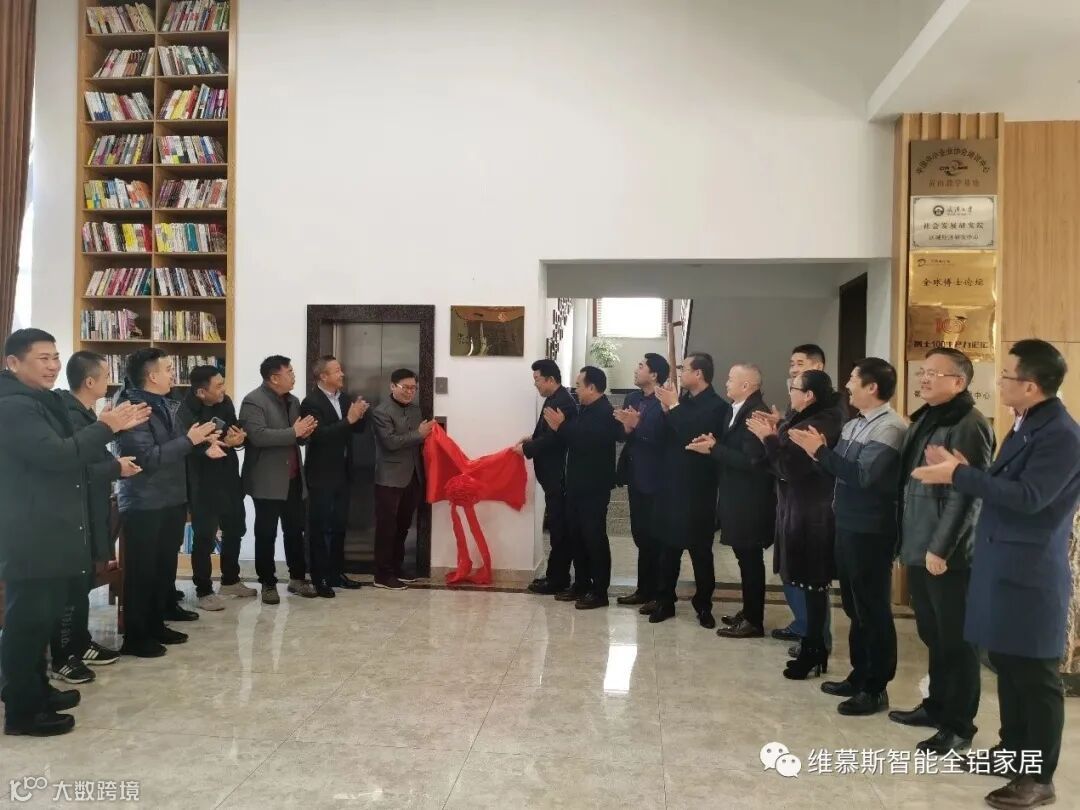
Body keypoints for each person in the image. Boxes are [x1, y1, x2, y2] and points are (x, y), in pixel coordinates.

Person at [913, 339, 1080, 810]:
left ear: (1031, 385)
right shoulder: (1027, 422)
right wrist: (966, 470)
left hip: (1030, 573)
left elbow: (1030, 498)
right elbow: (1008, 485)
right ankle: (1012, 754)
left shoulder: (1061, 435)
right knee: (1008, 666)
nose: (999, 382)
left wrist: (958, 476)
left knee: (1036, 678)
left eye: (1006, 375)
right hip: (1003, 564)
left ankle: (1038, 778)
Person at [0, 329, 148, 736]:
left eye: (55, 357)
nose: (52, 366)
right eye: (42, 358)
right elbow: (58, 455)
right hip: (31, 531)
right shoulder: (13, 407)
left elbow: (74, 460)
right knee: (27, 623)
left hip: (52, 527)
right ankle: (22, 711)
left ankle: (38, 691)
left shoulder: (41, 401)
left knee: (44, 618)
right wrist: (106, 426)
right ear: (13, 363)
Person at [890, 348, 993, 754]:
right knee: (933, 634)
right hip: (920, 543)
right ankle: (935, 707)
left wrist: (941, 548)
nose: (925, 378)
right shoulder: (927, 418)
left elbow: (967, 496)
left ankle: (959, 725)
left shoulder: (969, 423)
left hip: (947, 553)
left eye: (935, 373)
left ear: (959, 382)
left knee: (957, 642)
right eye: (923, 372)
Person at [790, 358, 906, 716]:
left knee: (873, 608)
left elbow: (863, 475)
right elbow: (836, 468)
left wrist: (820, 451)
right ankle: (859, 675)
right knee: (854, 607)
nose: (847, 385)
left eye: (853, 379)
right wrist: (816, 452)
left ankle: (876, 687)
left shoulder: (890, 427)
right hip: (847, 524)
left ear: (872, 387)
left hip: (872, 529)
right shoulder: (856, 423)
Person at [116, 349, 220, 656]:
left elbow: (175, 444)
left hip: (170, 496)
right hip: (144, 500)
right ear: (151, 376)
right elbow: (145, 458)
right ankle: (136, 636)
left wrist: (199, 443)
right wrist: (190, 440)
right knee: (142, 571)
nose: (173, 374)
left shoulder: (165, 401)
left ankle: (156, 622)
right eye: (167, 369)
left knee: (163, 566)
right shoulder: (132, 408)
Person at [49, 352, 139, 684]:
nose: (108, 382)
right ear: (89, 381)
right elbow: (78, 468)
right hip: (75, 513)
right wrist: (117, 467)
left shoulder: (85, 413)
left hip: (90, 511)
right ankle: (63, 655)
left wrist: (114, 432)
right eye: (104, 376)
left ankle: (80, 643)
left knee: (82, 582)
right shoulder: (67, 414)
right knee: (70, 588)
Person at [749, 369, 845, 679]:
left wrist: (768, 438)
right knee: (806, 583)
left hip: (813, 513)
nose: (790, 392)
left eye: (794, 388)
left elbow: (790, 467)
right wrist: (777, 430)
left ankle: (814, 649)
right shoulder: (805, 417)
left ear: (809, 395)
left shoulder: (820, 423)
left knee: (813, 584)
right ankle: (811, 647)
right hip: (799, 509)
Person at [686, 363, 775, 639]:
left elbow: (751, 461)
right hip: (736, 496)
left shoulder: (755, 413)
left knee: (750, 560)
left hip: (750, 500)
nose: (725, 383)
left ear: (746, 385)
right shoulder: (737, 409)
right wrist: (714, 444)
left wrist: (715, 448)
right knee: (744, 559)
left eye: (731, 379)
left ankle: (754, 621)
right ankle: (748, 612)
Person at [649, 352, 731, 628]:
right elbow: (666, 436)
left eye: (684, 369)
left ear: (699, 374)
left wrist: (673, 407)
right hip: (671, 485)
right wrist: (665, 411)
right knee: (668, 549)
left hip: (698, 489)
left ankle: (703, 605)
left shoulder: (718, 407)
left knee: (701, 553)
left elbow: (693, 435)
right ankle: (665, 601)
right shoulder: (681, 402)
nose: (680, 373)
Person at [176, 365, 255, 612]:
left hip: (228, 475)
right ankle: (203, 590)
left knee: (235, 529)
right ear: (201, 392)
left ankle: (230, 580)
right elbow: (185, 446)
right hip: (201, 481)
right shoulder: (184, 411)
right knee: (205, 537)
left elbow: (231, 432)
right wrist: (210, 448)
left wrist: (236, 440)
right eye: (218, 385)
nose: (223, 389)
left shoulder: (225, 402)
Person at [543, 366, 622, 609]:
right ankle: (581, 584)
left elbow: (586, 441)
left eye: (579, 385)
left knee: (594, 539)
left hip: (593, 488)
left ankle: (599, 592)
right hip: (577, 485)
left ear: (592, 387)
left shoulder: (604, 412)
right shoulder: (586, 409)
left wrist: (562, 426)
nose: (575, 390)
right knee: (576, 536)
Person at [240, 355, 318, 603]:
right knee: (266, 533)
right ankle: (268, 583)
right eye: (289, 372)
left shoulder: (293, 401)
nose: (294, 376)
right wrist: (294, 432)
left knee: (295, 530)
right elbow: (258, 436)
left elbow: (296, 437)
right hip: (267, 479)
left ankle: (297, 578)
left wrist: (305, 433)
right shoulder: (253, 401)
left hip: (293, 477)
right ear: (274, 378)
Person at [770, 344, 829, 648]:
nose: (793, 368)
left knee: (810, 575)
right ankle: (803, 625)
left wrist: (771, 438)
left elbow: (794, 461)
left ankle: (815, 637)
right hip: (790, 501)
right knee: (791, 568)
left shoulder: (827, 412)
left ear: (818, 368)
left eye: (801, 363)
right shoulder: (799, 407)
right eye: (792, 363)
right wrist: (780, 425)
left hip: (810, 504)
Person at [300, 355, 369, 597]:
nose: (342, 374)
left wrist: (360, 415)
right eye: (337, 371)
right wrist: (349, 419)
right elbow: (319, 436)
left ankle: (336, 573)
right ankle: (319, 578)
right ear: (323, 376)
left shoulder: (345, 398)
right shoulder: (311, 402)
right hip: (321, 474)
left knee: (339, 526)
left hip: (344, 472)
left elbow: (356, 429)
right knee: (319, 528)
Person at [613, 353, 669, 611]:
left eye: (641, 366)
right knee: (640, 535)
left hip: (657, 478)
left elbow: (665, 437)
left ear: (654, 374)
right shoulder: (632, 398)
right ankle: (643, 590)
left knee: (656, 538)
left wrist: (638, 425)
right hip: (635, 476)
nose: (636, 370)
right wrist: (626, 428)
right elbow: (623, 435)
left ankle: (659, 594)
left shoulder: (665, 401)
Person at [519, 359, 578, 596]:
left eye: (537, 379)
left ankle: (558, 579)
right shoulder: (554, 398)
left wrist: (527, 449)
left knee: (559, 529)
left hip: (559, 475)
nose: (535, 384)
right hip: (551, 476)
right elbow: (545, 433)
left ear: (550, 379)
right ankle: (555, 575)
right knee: (556, 526)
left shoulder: (563, 402)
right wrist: (531, 440)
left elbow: (555, 439)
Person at [371, 368, 432, 590]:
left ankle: (396, 567)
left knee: (403, 526)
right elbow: (390, 442)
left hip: (413, 476)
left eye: (413, 388)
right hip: (389, 478)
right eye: (405, 387)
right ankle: (382, 574)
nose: (409, 392)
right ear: (392, 386)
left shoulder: (416, 410)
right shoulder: (381, 411)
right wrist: (419, 434)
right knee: (386, 528)